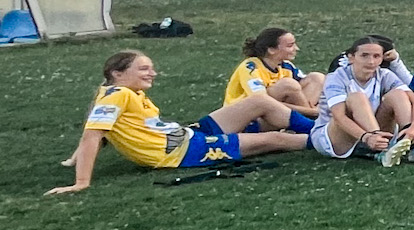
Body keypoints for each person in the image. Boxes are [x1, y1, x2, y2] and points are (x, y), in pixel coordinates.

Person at [51, 50, 309, 194]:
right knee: (277, 139)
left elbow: (97, 129)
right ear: (117, 74)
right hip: (183, 151)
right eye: (143, 69)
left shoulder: (116, 92)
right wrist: (81, 182)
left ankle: (323, 125)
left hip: (188, 135)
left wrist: (75, 157)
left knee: (259, 103)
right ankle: (336, 140)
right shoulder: (116, 96)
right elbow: (93, 135)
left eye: (151, 67)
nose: (152, 73)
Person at [315, 36, 414, 165]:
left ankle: (413, 146)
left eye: (376, 56)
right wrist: (367, 137)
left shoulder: (384, 74)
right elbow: (339, 116)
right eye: (364, 55)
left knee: (398, 94)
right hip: (334, 137)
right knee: (357, 97)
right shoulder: (336, 77)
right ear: (351, 57)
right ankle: (380, 148)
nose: (371, 62)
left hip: (371, 133)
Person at [224, 27, 324, 123]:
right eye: (290, 46)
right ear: (271, 50)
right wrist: (311, 111)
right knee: (289, 85)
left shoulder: (286, 66)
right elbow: (260, 102)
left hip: (276, 113)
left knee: (316, 78)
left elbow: (303, 92)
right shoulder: (251, 67)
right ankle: (309, 120)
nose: (296, 48)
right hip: (246, 117)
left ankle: (304, 121)